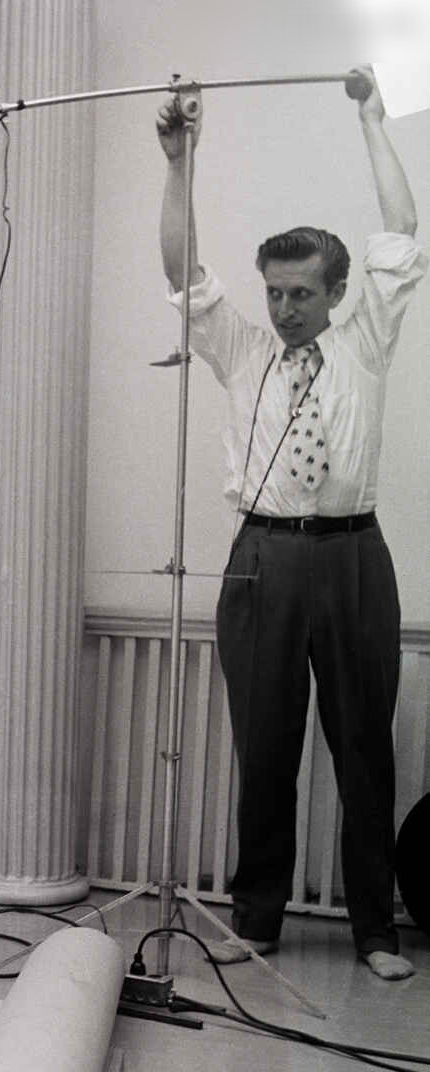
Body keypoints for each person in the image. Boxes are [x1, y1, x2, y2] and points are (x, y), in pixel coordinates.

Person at [157, 69, 425, 979]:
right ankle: (257, 918)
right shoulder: (243, 351)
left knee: (363, 751)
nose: (282, 309)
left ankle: (374, 932)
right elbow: (181, 275)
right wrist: (179, 162)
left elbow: (401, 229)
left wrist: (371, 118)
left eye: (300, 294)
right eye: (273, 292)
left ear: (336, 292)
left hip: (351, 558)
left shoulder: (365, 342)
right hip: (261, 559)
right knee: (264, 749)